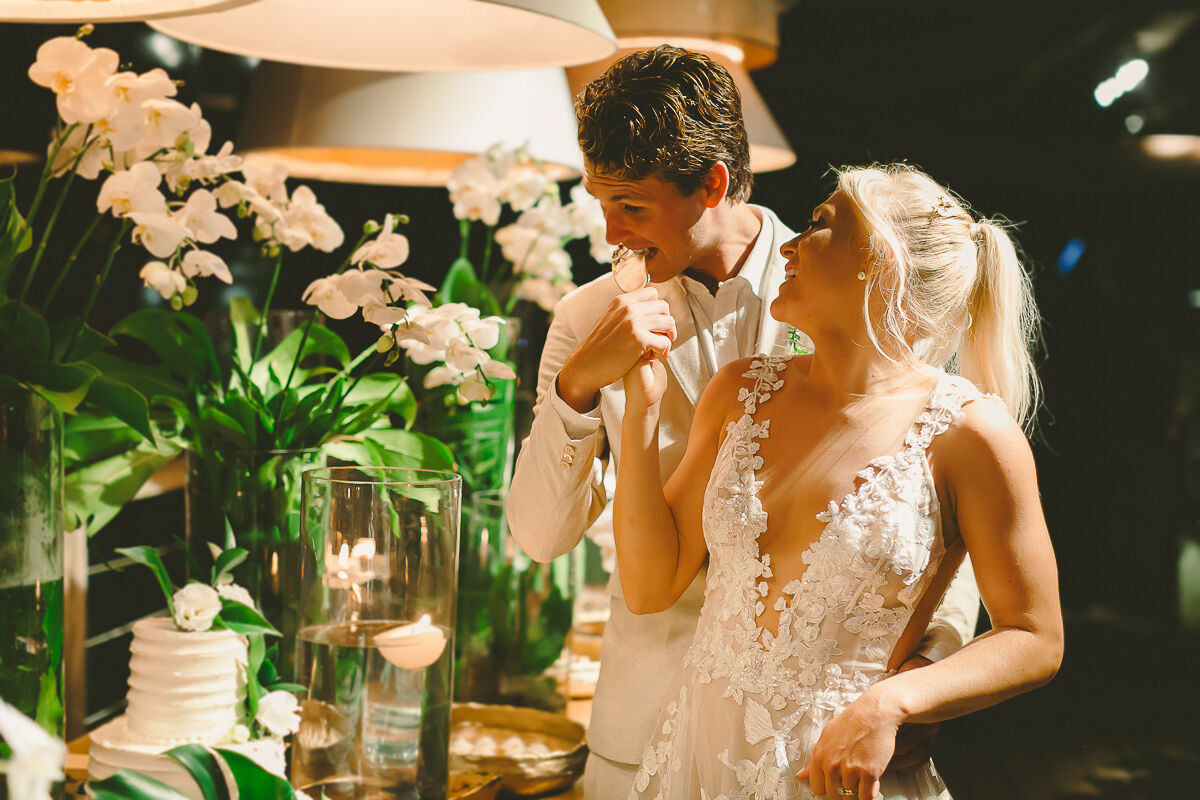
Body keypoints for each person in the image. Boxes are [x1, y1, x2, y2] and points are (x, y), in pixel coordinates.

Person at [505, 46, 983, 799]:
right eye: (600, 203)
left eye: (631, 206)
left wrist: (922, 674)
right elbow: (537, 537)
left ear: (713, 184)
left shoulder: (852, 285)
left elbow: (931, 508)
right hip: (639, 739)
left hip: (815, 741)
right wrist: (575, 389)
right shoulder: (586, 317)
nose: (610, 235)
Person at [613, 163, 1064, 799]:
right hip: (698, 754)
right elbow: (649, 584)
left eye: (820, 225)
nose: (789, 245)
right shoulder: (741, 392)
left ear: (880, 263)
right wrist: (641, 408)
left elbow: (1035, 638)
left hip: (832, 772)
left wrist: (892, 704)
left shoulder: (969, 434)